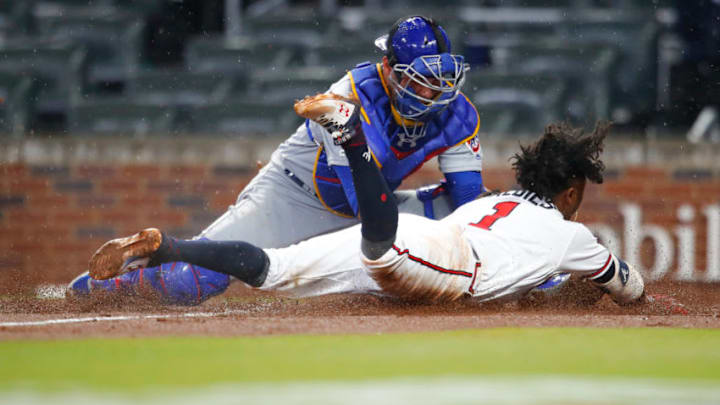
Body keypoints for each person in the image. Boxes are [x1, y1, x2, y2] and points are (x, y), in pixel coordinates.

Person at [67, 15, 485, 304]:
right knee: (192, 282)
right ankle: (93, 290)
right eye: (421, 81)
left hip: (376, 205)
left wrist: (484, 246)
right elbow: (364, 206)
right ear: (389, 69)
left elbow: (467, 202)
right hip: (298, 195)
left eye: (441, 82)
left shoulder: (460, 113)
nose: (433, 94)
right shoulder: (346, 97)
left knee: (481, 212)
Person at [85, 105, 646, 307]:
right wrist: (647, 300)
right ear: (571, 192)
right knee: (381, 244)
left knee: (275, 267)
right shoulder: (574, 237)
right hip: (441, 259)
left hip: (432, 242)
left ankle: (168, 246)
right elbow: (624, 284)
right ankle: (351, 137)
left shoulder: (494, 203)